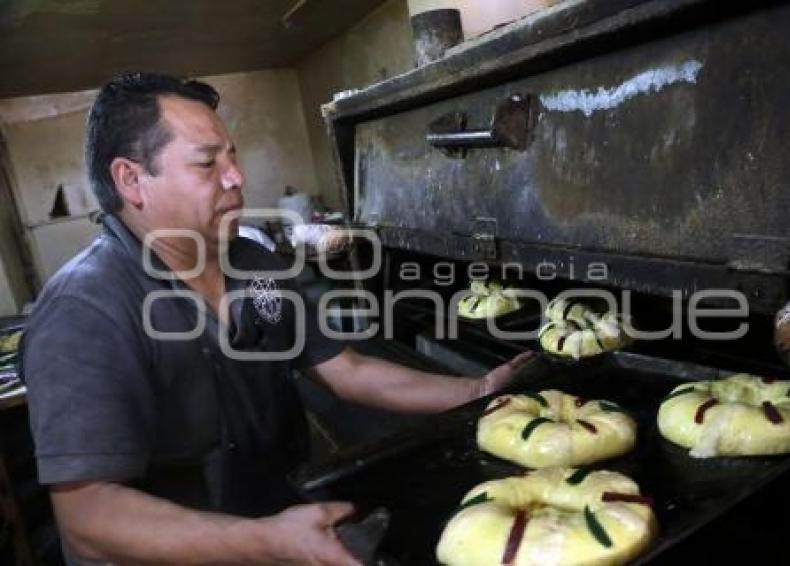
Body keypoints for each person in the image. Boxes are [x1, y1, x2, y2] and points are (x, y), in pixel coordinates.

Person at [20, 72, 531, 566]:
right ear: (132, 180)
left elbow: (344, 371)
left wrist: (479, 390)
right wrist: (267, 540)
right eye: (206, 164)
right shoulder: (87, 313)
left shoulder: (252, 268)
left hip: (278, 528)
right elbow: (87, 517)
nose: (236, 177)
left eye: (233, 156)